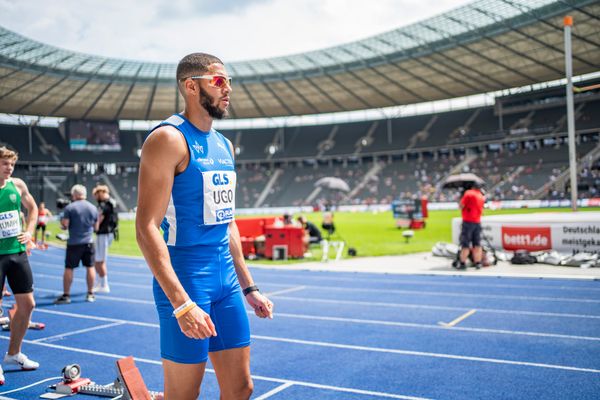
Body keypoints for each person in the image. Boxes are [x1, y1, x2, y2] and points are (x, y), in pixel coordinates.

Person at [136, 52, 273, 400]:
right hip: (187, 280)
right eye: (219, 81)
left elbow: (227, 225)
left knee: (242, 388)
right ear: (191, 86)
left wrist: (249, 287)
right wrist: (182, 303)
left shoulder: (225, 145)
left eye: (229, 81)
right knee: (183, 395)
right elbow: (146, 227)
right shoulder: (168, 139)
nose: (228, 89)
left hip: (225, 283)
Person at [0, 146, 39, 385]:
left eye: (12, 164)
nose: (10, 168)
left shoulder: (18, 185)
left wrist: (29, 232)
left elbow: (32, 208)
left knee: (27, 304)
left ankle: (13, 354)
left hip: (17, 253)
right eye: (5, 164)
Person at [54, 185, 98, 304]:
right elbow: (96, 227)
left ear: (74, 195)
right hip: (89, 241)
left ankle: (66, 295)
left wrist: (62, 223)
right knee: (90, 267)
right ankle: (90, 293)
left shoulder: (70, 208)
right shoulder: (93, 207)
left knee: (69, 268)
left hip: (74, 243)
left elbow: (65, 225)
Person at [92, 185, 117, 293]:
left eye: (97, 194)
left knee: (101, 261)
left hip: (104, 234)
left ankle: (104, 284)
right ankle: (98, 282)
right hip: (102, 234)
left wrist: (94, 228)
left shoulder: (106, 204)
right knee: (97, 260)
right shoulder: (108, 203)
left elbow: (99, 218)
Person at [457, 183, 485, 270]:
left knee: (465, 244)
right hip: (477, 221)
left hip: (468, 221)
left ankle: (462, 263)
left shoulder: (468, 193)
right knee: (477, 244)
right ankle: (478, 263)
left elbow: (461, 206)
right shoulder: (481, 195)